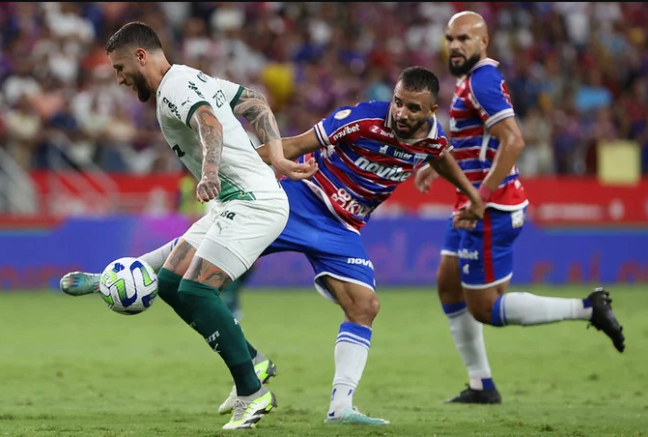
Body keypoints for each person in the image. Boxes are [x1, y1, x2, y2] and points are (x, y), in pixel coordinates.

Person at [63, 66, 487, 426]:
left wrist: (469, 192)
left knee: (365, 306)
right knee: (192, 262)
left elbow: (441, 154)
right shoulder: (360, 118)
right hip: (298, 201)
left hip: (343, 228)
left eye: (413, 107)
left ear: (431, 111)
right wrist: (249, 172)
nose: (401, 112)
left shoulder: (432, 137)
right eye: (398, 101)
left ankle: (341, 407)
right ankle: (113, 276)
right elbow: (297, 145)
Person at [100, 21, 317, 430]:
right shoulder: (193, 77)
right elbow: (254, 101)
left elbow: (209, 124)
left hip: (252, 203)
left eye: (120, 68)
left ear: (141, 56)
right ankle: (252, 361)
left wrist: (210, 172)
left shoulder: (174, 88)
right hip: (229, 203)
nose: (119, 79)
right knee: (168, 282)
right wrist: (277, 156)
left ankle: (253, 394)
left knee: (197, 290)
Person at [413, 11, 626, 405]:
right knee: (447, 282)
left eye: (464, 38)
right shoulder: (470, 81)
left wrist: (481, 198)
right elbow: (478, 143)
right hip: (471, 202)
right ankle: (481, 385)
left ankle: (588, 309)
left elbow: (513, 141)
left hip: (489, 209)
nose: (455, 45)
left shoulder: (483, 81)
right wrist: (436, 167)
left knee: (485, 309)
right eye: (450, 38)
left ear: (484, 42)